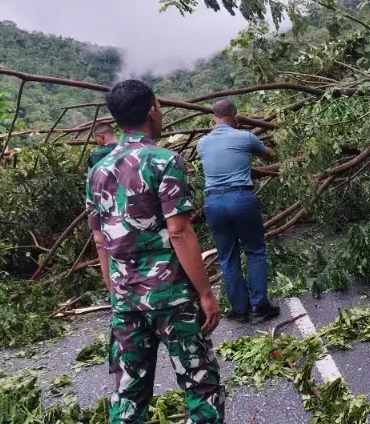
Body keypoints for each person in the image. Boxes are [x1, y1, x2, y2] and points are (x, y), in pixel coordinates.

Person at [86, 79, 224, 423]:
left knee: (129, 394)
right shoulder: (164, 160)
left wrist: (116, 292)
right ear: (152, 110)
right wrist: (206, 293)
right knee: (201, 387)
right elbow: (179, 232)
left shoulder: (97, 171)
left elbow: (100, 239)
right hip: (171, 297)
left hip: (125, 299)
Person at [196, 100, 279, 323]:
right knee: (255, 250)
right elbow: (269, 156)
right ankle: (259, 305)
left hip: (213, 202)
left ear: (214, 117)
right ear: (235, 115)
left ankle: (239, 310)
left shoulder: (202, 143)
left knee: (227, 257)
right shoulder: (245, 137)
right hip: (241, 198)